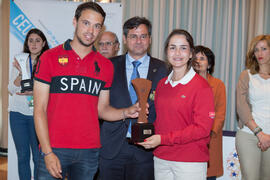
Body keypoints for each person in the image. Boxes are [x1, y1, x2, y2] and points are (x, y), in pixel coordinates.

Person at [33, 2, 140, 180]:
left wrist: (126, 112)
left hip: (89, 151)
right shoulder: (49, 57)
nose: (91, 30)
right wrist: (47, 152)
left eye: (97, 25)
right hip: (54, 148)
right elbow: (39, 110)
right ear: (75, 21)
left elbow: (102, 109)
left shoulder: (105, 66)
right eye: (86, 23)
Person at [138, 29, 215, 180]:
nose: (177, 53)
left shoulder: (201, 86)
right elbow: (160, 120)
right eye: (172, 47)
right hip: (161, 158)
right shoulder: (161, 84)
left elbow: (202, 129)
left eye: (183, 48)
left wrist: (163, 139)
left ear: (191, 53)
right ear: (166, 52)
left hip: (190, 161)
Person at [99, 16, 167, 180]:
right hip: (112, 148)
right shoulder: (109, 66)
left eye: (143, 36)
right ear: (124, 39)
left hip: (147, 150)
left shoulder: (164, 69)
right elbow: (100, 106)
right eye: (133, 36)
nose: (138, 41)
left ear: (150, 39)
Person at [8, 28, 49, 180]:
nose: (33, 43)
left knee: (38, 157)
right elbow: (11, 88)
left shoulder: (48, 62)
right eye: (30, 40)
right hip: (17, 114)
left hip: (37, 115)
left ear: (43, 43)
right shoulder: (19, 60)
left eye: (37, 40)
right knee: (22, 156)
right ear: (26, 43)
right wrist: (21, 72)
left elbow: (52, 91)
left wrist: (34, 93)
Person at [236, 34, 270, 180]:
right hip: (249, 135)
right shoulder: (247, 75)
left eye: (264, 49)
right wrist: (260, 133)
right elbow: (241, 107)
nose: (259, 54)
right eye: (256, 50)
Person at [194, 45, 226, 179]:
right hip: (190, 137)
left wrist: (211, 131)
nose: (198, 61)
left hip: (210, 137)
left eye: (202, 58)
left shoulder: (218, 84)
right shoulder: (186, 82)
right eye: (195, 58)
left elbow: (220, 112)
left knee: (209, 174)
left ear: (209, 64)